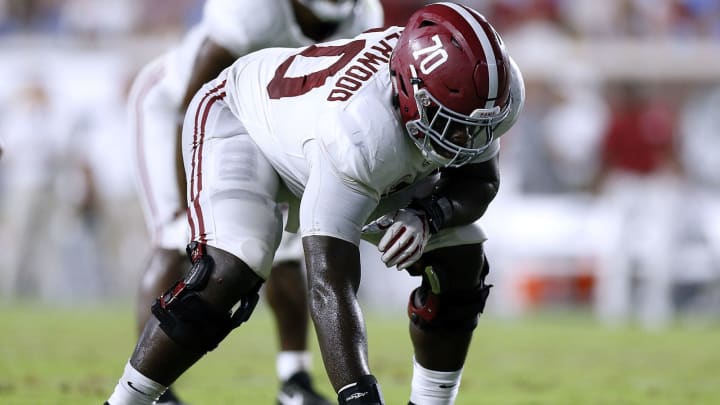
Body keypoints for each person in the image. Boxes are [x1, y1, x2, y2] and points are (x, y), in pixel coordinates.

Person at [107, 2, 524, 404]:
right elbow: (330, 286)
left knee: (461, 252)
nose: (462, 142)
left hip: (334, 146)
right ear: (409, 89)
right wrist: (361, 397)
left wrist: (428, 217)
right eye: (448, 122)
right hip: (240, 121)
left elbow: (480, 180)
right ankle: (126, 401)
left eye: (475, 128)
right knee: (232, 267)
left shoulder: (485, 95)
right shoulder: (362, 130)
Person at [126, 0, 383, 404]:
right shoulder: (252, 10)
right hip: (179, 110)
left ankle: (294, 379)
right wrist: (193, 207)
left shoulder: (363, 15)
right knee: (176, 238)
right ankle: (151, 392)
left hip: (263, 125)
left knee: (286, 249)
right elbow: (192, 104)